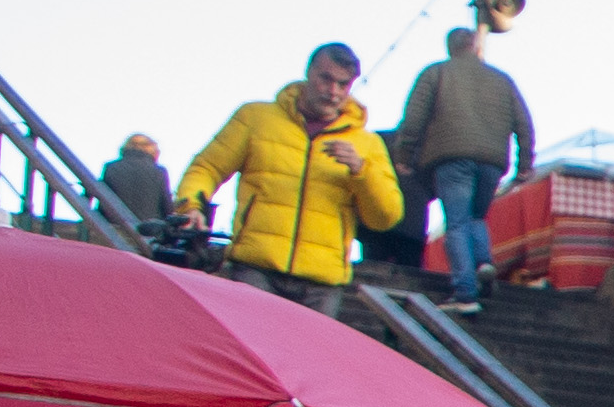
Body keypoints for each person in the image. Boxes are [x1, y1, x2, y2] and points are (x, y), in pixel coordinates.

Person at [175, 43, 404, 307]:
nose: (333, 92)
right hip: (256, 267)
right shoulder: (256, 118)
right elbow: (206, 168)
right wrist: (190, 206)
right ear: (309, 73)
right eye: (326, 79)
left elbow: (386, 217)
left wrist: (361, 171)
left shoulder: (367, 144)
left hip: (323, 283)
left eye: (343, 85)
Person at [387, 23, 539, 306]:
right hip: (492, 162)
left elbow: (414, 118)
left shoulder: (436, 72)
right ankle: (483, 263)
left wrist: (404, 156)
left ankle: (464, 292)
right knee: (477, 217)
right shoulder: (501, 80)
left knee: (456, 222)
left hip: (451, 157)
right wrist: (525, 164)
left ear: (449, 48)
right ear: (474, 47)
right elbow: (523, 123)